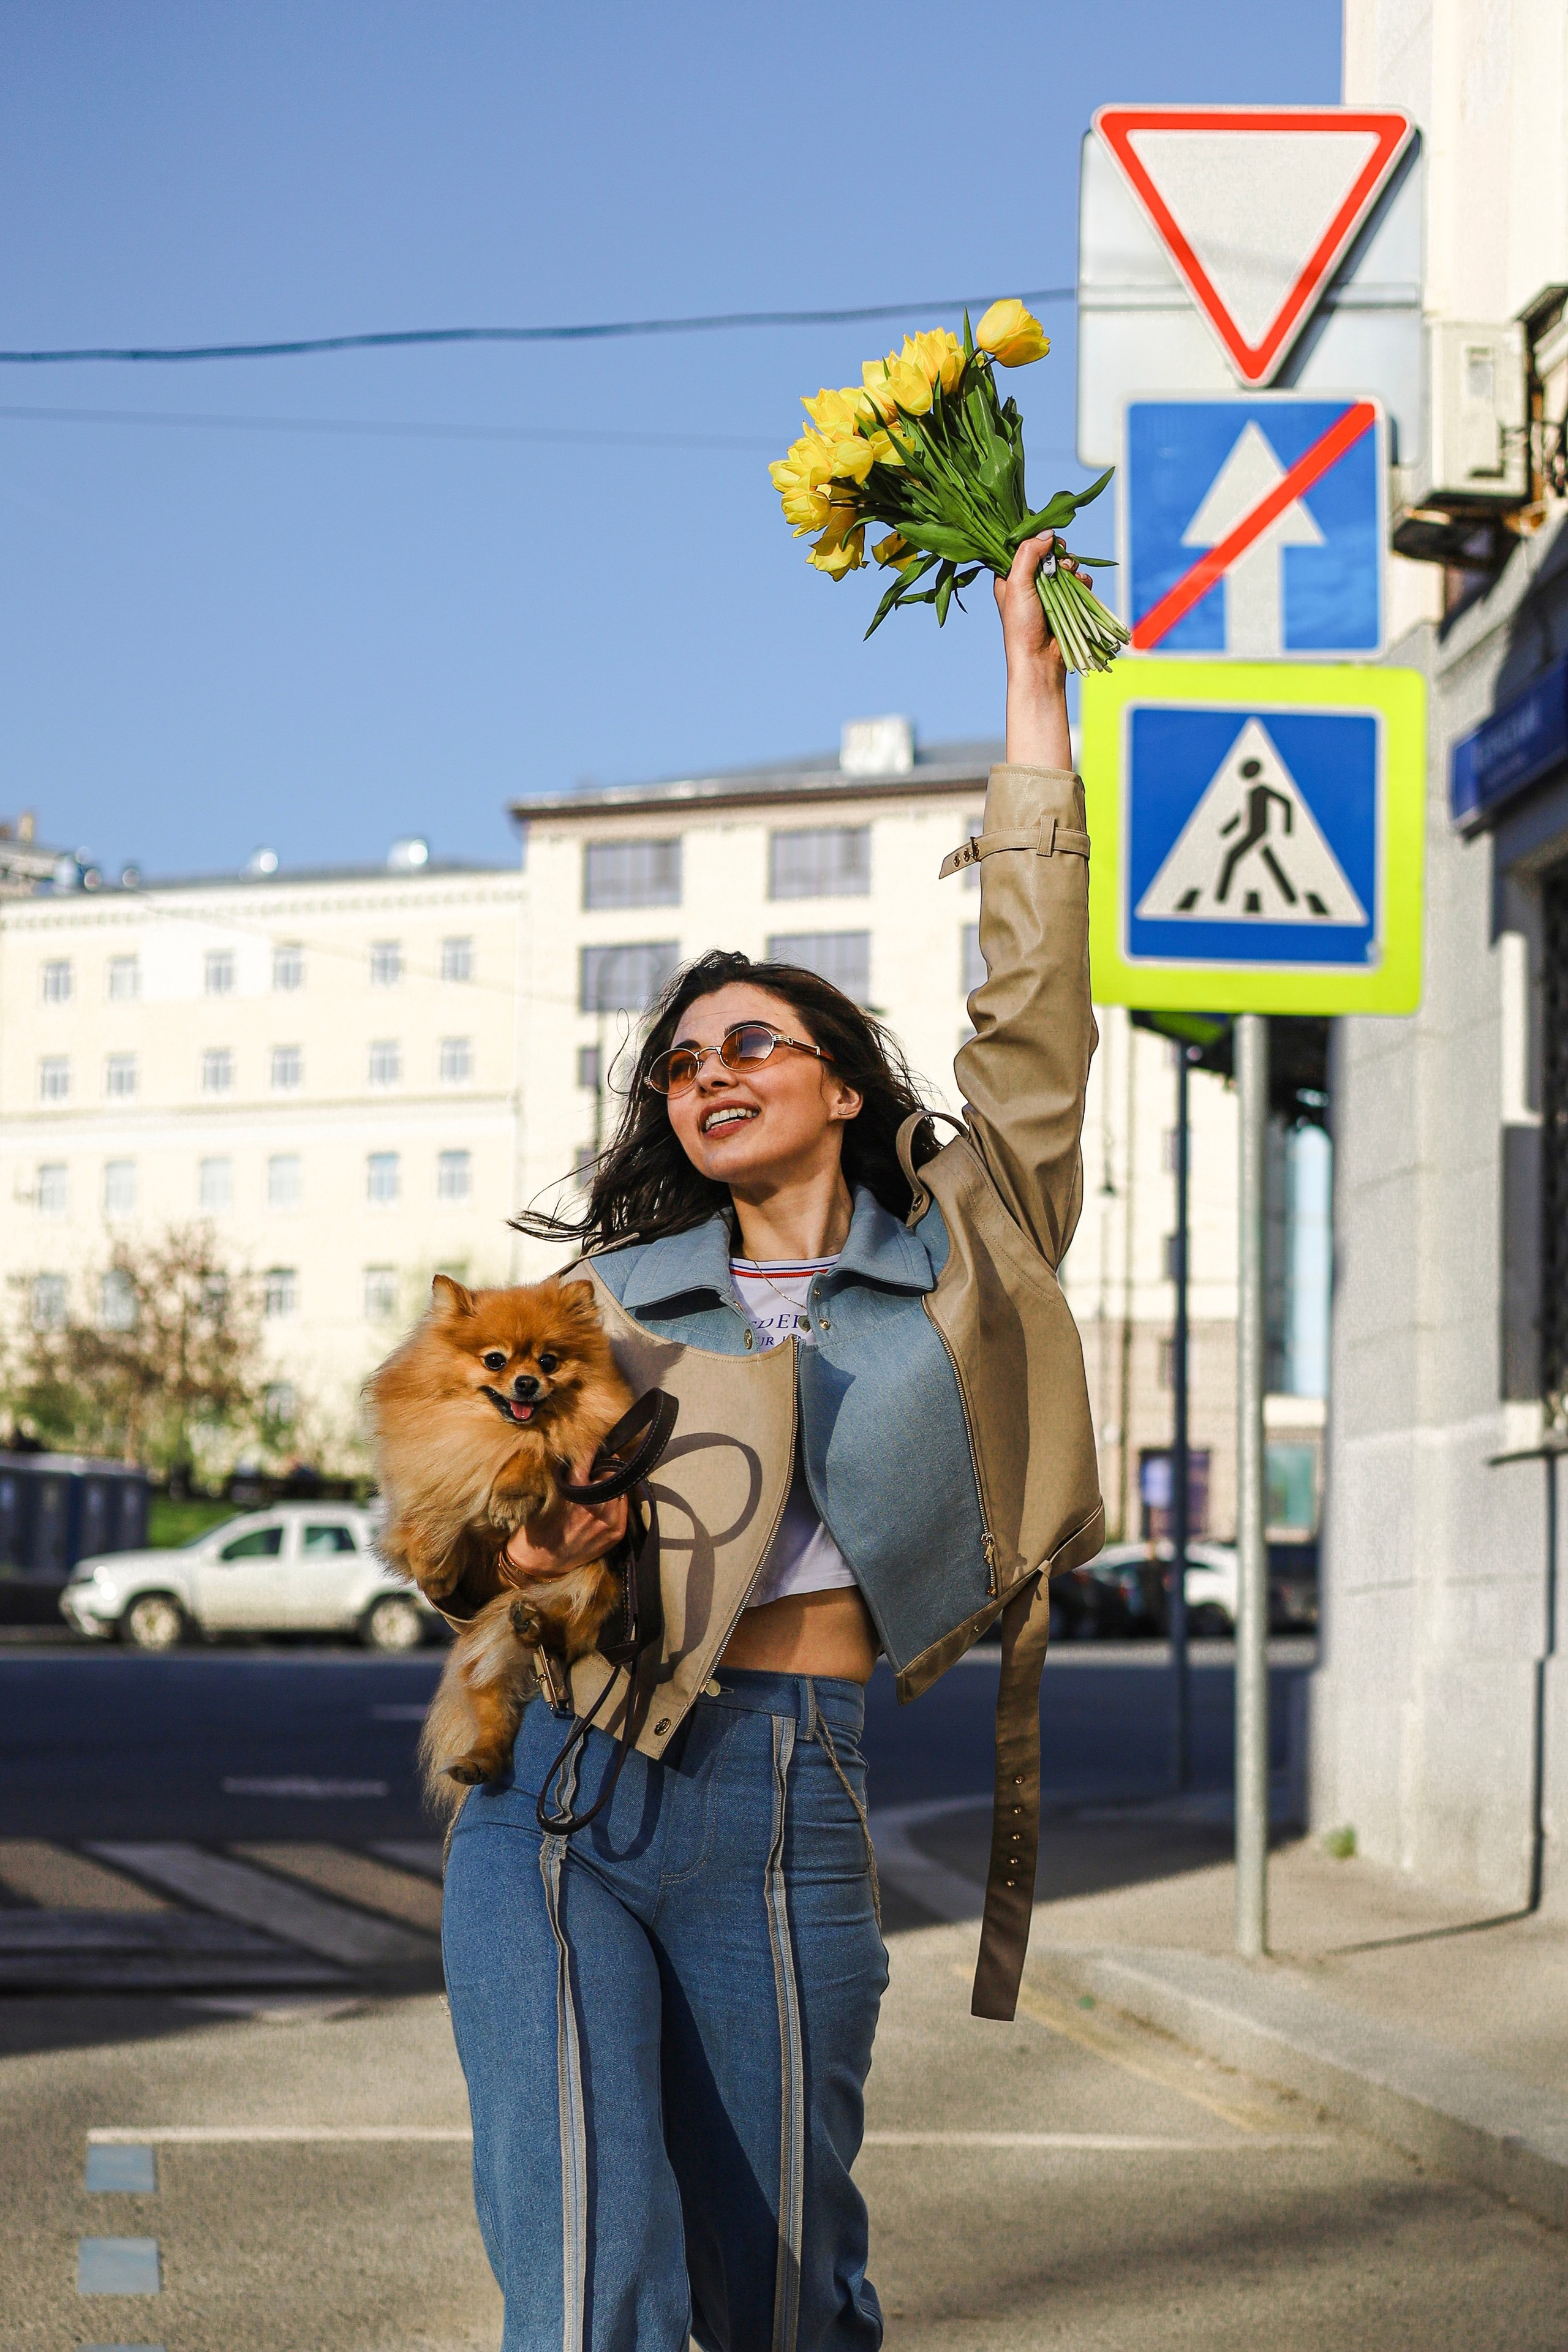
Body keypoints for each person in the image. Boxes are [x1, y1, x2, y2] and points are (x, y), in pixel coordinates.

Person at [439, 533, 1104, 2351]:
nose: (708, 1071)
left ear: (842, 1080)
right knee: (589, 2269)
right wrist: (513, 1553)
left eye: (753, 1040)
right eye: (680, 1061)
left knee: (788, 2279)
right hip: (559, 1786)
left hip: (792, 1783)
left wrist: (1031, 718)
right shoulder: (616, 1293)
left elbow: (1037, 1023)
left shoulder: (969, 1235)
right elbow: (439, 1520)